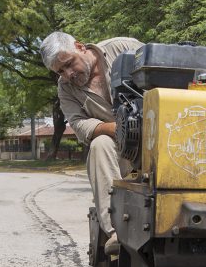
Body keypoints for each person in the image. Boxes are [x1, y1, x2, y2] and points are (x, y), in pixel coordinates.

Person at [40, 31, 143, 255]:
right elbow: (79, 125)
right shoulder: (65, 89)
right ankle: (116, 232)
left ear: (80, 47)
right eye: (60, 71)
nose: (67, 74)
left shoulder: (124, 48)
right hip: (122, 149)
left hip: (162, 137)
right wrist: (119, 128)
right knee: (100, 144)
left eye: (68, 63)